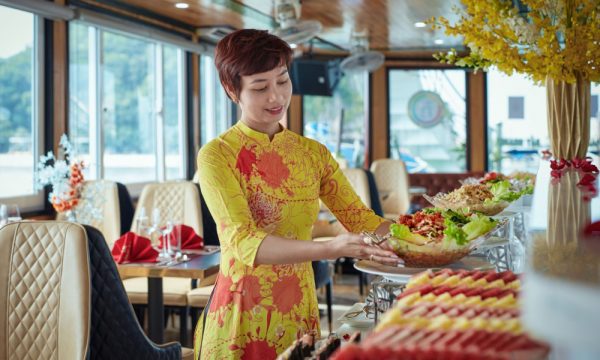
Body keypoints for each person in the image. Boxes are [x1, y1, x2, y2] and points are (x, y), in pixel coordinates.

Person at [194, 29, 400, 360]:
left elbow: (360, 218)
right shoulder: (217, 155)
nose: (276, 97)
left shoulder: (312, 153)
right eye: (260, 87)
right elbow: (244, 241)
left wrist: (424, 238)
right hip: (244, 312)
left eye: (282, 81)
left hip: (299, 305)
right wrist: (329, 248)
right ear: (232, 90)